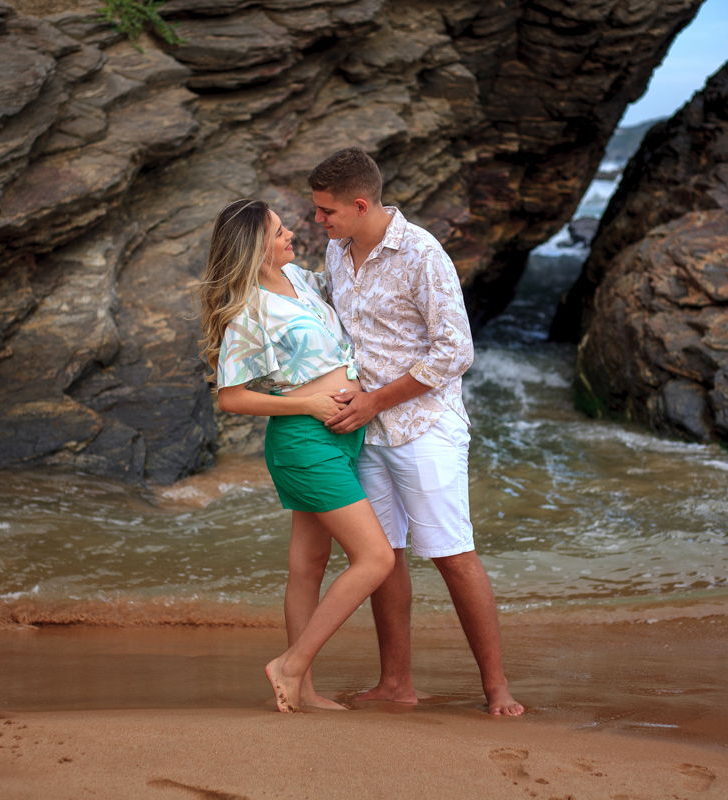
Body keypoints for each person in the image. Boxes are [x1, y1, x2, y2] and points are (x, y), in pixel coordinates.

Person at [307, 147, 524, 716]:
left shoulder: (423, 253)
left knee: (452, 553)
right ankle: (396, 683)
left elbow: (456, 351)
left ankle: (497, 688)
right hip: (365, 433)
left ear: (359, 204)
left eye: (326, 211)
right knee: (385, 556)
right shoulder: (336, 251)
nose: (318, 222)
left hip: (424, 427)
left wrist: (376, 398)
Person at [198, 198, 395, 713]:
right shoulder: (249, 311)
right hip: (304, 443)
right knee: (376, 558)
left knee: (307, 565)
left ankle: (302, 692)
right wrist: (304, 402)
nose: (293, 235)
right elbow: (231, 396)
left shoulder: (303, 282)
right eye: (281, 231)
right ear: (257, 247)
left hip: (342, 435)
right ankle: (290, 664)